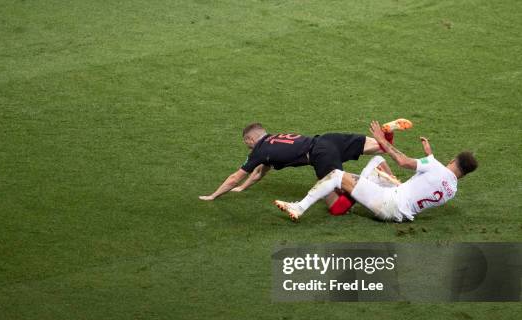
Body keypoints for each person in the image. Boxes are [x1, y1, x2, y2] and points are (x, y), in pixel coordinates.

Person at [274, 121, 478, 222]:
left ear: (452, 159)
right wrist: (429, 155)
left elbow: (402, 160)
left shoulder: (435, 167)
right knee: (378, 161)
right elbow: (435, 178)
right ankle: (361, 186)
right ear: (464, 173)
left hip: (389, 202)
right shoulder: (452, 189)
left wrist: (381, 139)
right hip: (402, 213)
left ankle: (299, 207)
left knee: (336, 175)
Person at [198, 119, 412, 215]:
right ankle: (387, 132)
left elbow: (237, 176)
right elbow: (259, 172)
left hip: (320, 155)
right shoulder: (274, 141)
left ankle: (368, 184)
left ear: (250, 140)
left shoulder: (259, 151)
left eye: (246, 143)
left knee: (337, 207)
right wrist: (243, 189)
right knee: (381, 146)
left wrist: (214, 195)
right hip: (329, 139)